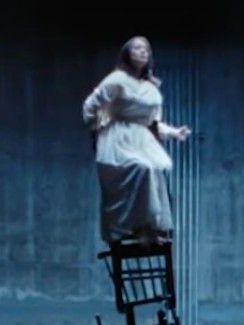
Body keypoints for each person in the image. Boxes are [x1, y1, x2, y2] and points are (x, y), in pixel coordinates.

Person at [82, 35, 191, 246]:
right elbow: (90, 106)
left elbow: (153, 122)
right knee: (141, 169)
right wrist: (98, 126)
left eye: (146, 50)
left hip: (140, 139)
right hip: (118, 140)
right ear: (127, 54)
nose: (143, 52)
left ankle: (150, 228)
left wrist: (174, 132)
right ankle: (138, 229)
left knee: (154, 172)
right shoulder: (117, 80)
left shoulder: (150, 88)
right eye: (137, 48)